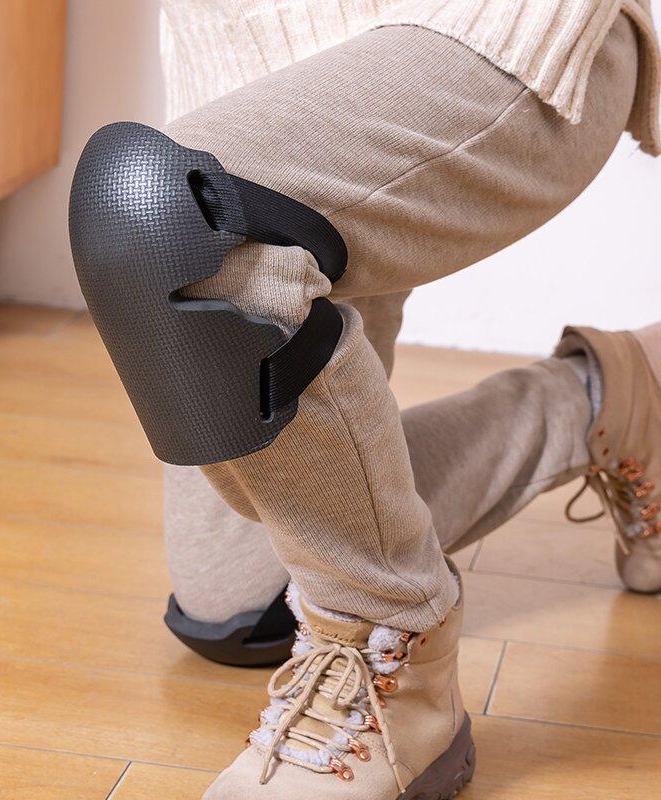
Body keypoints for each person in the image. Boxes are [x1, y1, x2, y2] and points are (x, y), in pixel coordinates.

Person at [76, 2, 661, 798]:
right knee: (240, 607)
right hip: (267, 79)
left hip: (489, 35)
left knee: (166, 215)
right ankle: (610, 394)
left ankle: (392, 640)